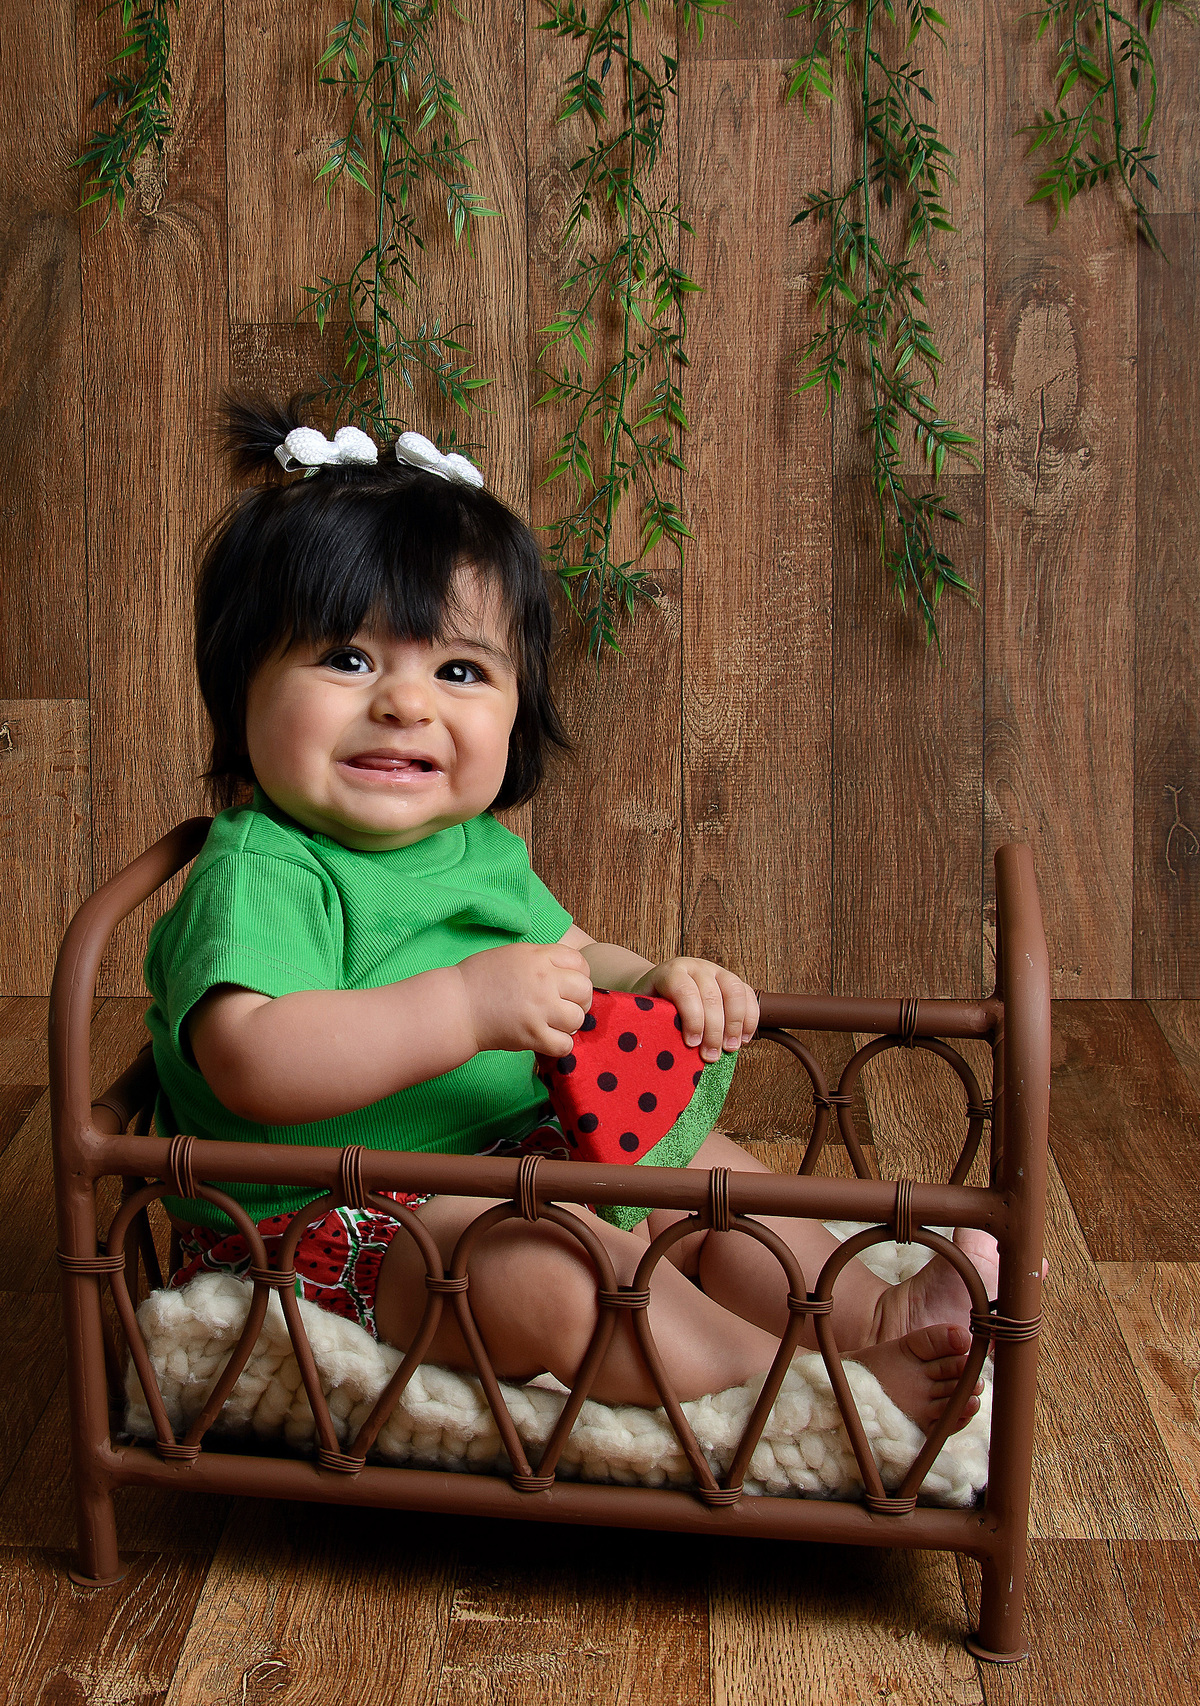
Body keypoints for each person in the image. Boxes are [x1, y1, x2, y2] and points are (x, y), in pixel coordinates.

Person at [144, 395, 994, 1428]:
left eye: (459, 669)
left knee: (712, 1177)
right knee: (561, 1269)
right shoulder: (264, 870)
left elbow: (573, 952)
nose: (407, 702)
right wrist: (461, 1005)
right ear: (242, 686)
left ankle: (870, 1309)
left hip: (511, 1158)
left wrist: (648, 977)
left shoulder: (476, 852)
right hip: (335, 1229)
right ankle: (798, 1392)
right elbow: (254, 1056)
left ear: (517, 709)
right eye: (349, 658)